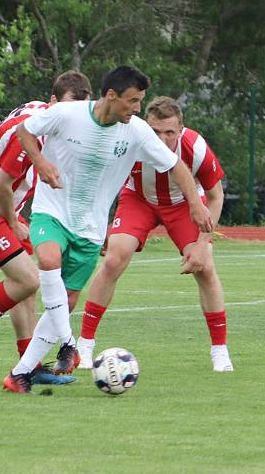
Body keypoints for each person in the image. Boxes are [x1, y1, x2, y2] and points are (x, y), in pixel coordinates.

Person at [2, 65, 213, 393]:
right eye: (132, 100)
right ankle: (69, 343)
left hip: (90, 228)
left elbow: (176, 167)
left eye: (140, 101)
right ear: (111, 96)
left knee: (68, 300)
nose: (137, 108)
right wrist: (41, 164)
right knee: (48, 260)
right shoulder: (67, 114)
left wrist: (196, 205)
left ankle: (19, 374)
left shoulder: (137, 131)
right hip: (51, 211)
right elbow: (25, 131)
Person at [0, 70, 93, 385]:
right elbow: (2, 186)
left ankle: (30, 366)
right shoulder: (32, 132)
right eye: (67, 110)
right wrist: (14, 224)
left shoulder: (42, 114)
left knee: (28, 286)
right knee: (28, 280)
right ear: (53, 101)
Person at [75, 96, 233, 372]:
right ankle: (84, 344)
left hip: (183, 204)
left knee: (205, 267)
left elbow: (216, 196)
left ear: (180, 130)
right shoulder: (128, 140)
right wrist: (100, 224)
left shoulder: (195, 147)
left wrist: (202, 242)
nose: (161, 139)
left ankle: (220, 351)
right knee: (114, 259)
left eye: (169, 132)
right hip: (138, 200)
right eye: (155, 131)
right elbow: (102, 180)